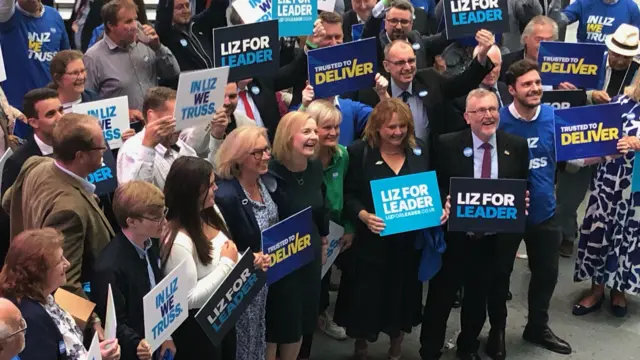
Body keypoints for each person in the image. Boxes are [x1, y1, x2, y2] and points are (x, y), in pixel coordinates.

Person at [337, 99, 448, 359]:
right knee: (366, 298)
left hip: (408, 245)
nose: (397, 132)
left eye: (402, 126)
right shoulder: (358, 152)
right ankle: (361, 344)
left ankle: (396, 343)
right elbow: (349, 194)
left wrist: (440, 206)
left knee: (403, 296)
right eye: (391, 127)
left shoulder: (419, 150)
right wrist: (363, 215)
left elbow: (433, 185)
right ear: (376, 128)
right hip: (371, 244)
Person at [424, 88, 529, 360]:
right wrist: (442, 203)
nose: (488, 115)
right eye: (480, 111)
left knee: (477, 299)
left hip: (492, 241)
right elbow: (433, 185)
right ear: (467, 117)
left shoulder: (516, 146)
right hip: (454, 239)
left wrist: (522, 203)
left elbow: (521, 187)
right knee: (441, 298)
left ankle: (468, 347)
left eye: (493, 109)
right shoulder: (446, 144)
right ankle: (430, 350)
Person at [498, 59, 571, 354]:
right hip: (505, 213)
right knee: (499, 276)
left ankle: (537, 327)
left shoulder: (554, 117)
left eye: (538, 83)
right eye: (527, 84)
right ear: (512, 89)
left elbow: (576, 155)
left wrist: (603, 152)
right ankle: (497, 331)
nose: (535, 88)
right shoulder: (499, 120)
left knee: (547, 274)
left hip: (544, 212)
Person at [2, 113, 115, 299]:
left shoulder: (35, 164)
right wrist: (91, 322)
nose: (104, 150)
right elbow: (65, 286)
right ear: (81, 156)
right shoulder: (70, 212)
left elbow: (8, 201)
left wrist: (31, 224)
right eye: (100, 147)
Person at [558, 23, 640, 257]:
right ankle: (567, 234)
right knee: (569, 192)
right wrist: (590, 95)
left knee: (607, 202)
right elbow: (566, 95)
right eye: (615, 54)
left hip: (618, 144)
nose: (618, 60)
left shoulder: (638, 72)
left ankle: (606, 245)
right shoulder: (589, 62)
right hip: (587, 133)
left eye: (625, 57)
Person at [571, 79, 640, 318]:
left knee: (629, 235)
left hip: (637, 187)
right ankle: (596, 289)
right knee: (601, 232)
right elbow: (598, 136)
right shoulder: (618, 103)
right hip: (608, 180)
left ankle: (619, 289)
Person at [265, 111, 330, 360]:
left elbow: (320, 207)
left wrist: (323, 241)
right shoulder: (270, 172)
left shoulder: (314, 167)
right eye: (307, 131)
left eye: (315, 131)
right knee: (278, 322)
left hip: (309, 256)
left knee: (302, 320)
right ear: (287, 136)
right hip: (280, 261)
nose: (314, 136)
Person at [0, 228, 121, 360]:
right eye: (59, 261)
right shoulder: (30, 318)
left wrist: (97, 355)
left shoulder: (46, 296)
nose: (67, 264)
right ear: (39, 272)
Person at [161, 156, 239, 360]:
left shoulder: (211, 211)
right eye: (211, 185)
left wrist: (246, 259)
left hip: (223, 318)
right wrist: (228, 264)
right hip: (197, 334)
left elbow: (226, 249)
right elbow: (187, 300)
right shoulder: (178, 240)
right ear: (194, 192)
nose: (216, 189)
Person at [356, 31, 495, 143]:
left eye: (411, 61)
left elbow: (462, 84)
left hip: (431, 162)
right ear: (386, 66)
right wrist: (383, 96)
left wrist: (482, 56)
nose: (407, 67)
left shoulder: (430, 79)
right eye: (400, 63)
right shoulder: (373, 92)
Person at [92, 181, 176, 360]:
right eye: (157, 218)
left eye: (164, 214)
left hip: (157, 340)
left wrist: (166, 335)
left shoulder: (151, 243)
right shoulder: (109, 267)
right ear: (132, 222)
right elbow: (115, 323)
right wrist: (137, 343)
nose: (164, 222)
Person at [214, 126, 274, 360]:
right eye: (257, 153)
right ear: (238, 157)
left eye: (266, 150)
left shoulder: (265, 183)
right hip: (240, 284)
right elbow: (220, 246)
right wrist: (247, 259)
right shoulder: (225, 195)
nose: (266, 156)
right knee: (241, 344)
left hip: (263, 280)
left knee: (257, 336)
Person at [84, 0, 180, 117]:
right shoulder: (93, 57)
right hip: (124, 129)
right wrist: (122, 113)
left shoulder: (147, 44)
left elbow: (173, 73)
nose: (135, 26)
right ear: (111, 25)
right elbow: (88, 106)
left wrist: (158, 48)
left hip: (154, 122)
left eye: (135, 19)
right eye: (128, 22)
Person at [117, 87, 220, 190]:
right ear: (151, 117)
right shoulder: (131, 150)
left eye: (181, 119)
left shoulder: (180, 145)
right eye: (174, 120)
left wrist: (216, 135)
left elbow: (207, 178)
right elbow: (137, 199)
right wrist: (148, 147)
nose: (180, 126)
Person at [0, 0, 70, 109]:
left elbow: (66, 59)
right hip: (17, 106)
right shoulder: (7, 17)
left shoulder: (54, 16)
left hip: (51, 102)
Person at [1, 88, 62, 198]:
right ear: (33, 123)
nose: (60, 117)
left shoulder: (75, 147)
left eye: (61, 110)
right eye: (51, 114)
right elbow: (8, 210)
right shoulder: (18, 163)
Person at [361, 0, 450, 70]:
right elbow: (369, 31)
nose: (399, 26)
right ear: (385, 22)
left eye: (404, 22)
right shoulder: (377, 45)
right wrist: (385, 2)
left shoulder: (416, 38)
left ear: (411, 24)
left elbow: (442, 38)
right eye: (394, 21)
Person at [448, 45, 514, 135]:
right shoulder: (461, 99)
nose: (490, 70)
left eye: (495, 65)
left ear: (501, 65)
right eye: (485, 65)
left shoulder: (509, 90)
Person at [500, 16, 559, 83]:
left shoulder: (563, 66)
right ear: (525, 39)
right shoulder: (505, 64)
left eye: (549, 40)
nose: (544, 45)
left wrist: (567, 92)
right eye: (539, 39)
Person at [549, 0, 640, 44]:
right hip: (585, 60)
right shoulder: (584, 2)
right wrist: (556, 11)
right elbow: (560, 21)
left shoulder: (631, 8)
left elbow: (636, 40)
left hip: (616, 62)